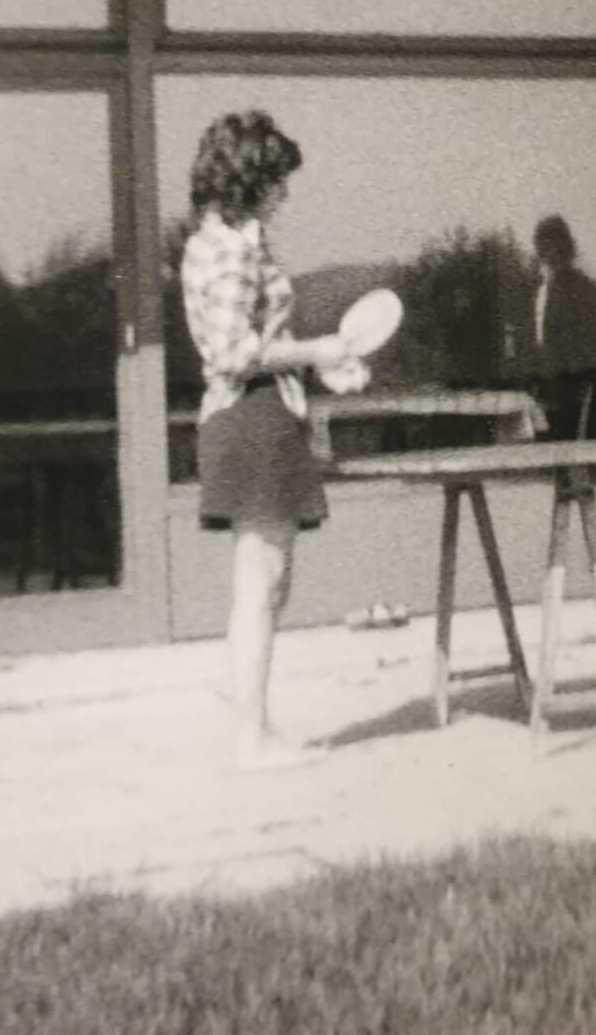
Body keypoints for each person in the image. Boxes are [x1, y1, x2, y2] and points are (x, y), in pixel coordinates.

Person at [182, 109, 363, 770]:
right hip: (252, 420)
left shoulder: (212, 242)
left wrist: (318, 365)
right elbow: (232, 353)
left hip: (253, 415)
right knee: (261, 582)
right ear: (249, 179)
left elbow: (253, 343)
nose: (284, 192)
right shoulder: (235, 250)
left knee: (265, 582)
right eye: (276, 179)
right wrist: (317, 349)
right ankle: (252, 739)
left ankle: (254, 726)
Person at [513, 215, 596, 439]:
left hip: (572, 389)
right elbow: (530, 338)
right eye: (544, 246)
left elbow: (590, 344)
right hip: (539, 389)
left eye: (556, 245)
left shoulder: (586, 289)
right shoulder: (535, 290)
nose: (550, 252)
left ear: (567, 247)